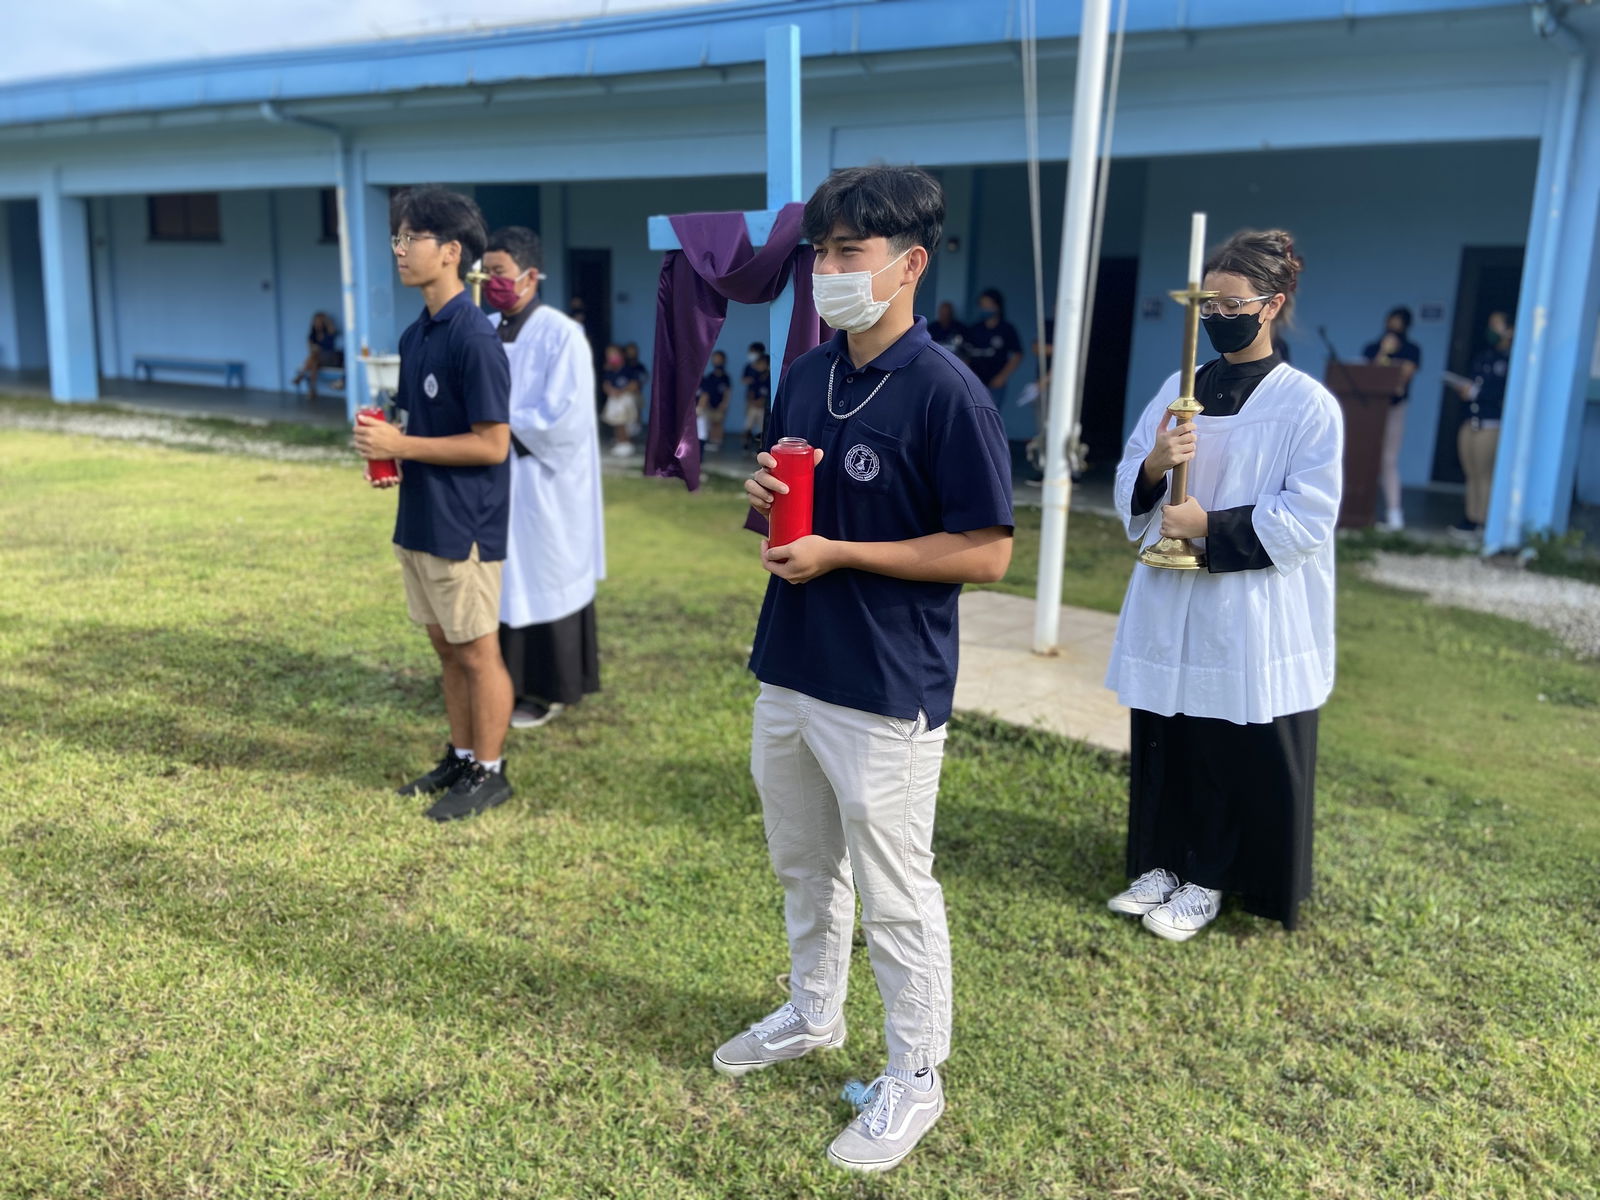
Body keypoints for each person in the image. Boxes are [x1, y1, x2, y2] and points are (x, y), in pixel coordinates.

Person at [731, 164, 1014, 1174]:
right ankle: (812, 1011)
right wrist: (761, 499)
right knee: (803, 862)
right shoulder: (807, 373)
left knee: (895, 893)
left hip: (885, 684)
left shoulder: (946, 395)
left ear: (909, 265)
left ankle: (916, 1076)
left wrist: (844, 555)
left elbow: (985, 553)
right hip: (792, 662)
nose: (827, 272)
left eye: (849, 253)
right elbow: (776, 503)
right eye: (819, 253)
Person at [1104, 228, 1341, 943]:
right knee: (1166, 730)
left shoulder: (1304, 405)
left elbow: (1309, 516)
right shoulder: (1181, 391)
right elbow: (1128, 481)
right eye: (1208, 303)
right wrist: (1153, 465)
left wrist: (1211, 523)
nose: (1216, 315)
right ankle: (1159, 863)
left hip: (1246, 601)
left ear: (1272, 305)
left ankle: (1208, 876)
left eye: (1231, 303)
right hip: (1172, 599)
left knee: (1224, 739)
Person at [353, 185, 516, 822]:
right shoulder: (417, 333)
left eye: (409, 238)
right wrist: (386, 448)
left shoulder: (474, 338)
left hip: (465, 522)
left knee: (477, 650)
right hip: (419, 515)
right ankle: (462, 752)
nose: (398, 249)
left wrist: (404, 442)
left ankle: (492, 772)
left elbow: (493, 445)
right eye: (396, 238)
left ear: (449, 252)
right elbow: (417, 423)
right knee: (445, 648)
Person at [482, 225, 604, 731]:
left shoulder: (561, 334)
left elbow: (565, 419)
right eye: (484, 272)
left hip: (545, 483)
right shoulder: (483, 328)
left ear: (530, 276)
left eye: (499, 273)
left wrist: (494, 422)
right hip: (493, 477)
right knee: (501, 581)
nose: (491, 282)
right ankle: (499, 680)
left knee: (543, 572)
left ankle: (547, 687)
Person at [1448, 311, 1513, 543]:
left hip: (1491, 423)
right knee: (1472, 473)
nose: (1492, 330)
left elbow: (1503, 391)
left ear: (1510, 330)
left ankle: (1484, 522)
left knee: (1485, 474)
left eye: (1497, 325)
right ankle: (1471, 517)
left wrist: (1479, 393)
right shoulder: (1484, 356)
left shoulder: (1511, 359)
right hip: (1472, 421)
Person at [1363, 306, 1421, 531]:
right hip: (1368, 410)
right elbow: (1368, 374)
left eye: (1398, 323)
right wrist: (1383, 352)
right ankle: (1359, 512)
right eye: (1391, 322)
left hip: (1395, 408)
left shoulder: (1412, 349)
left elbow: (1403, 376)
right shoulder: (1372, 347)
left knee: (1388, 460)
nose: (1393, 328)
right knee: (1364, 459)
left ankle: (1394, 514)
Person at [961, 287, 1023, 406]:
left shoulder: (1006, 329)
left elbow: (1017, 354)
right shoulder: (975, 329)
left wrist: (1002, 377)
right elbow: (965, 354)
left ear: (997, 306)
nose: (985, 308)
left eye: (988, 305)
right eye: (982, 305)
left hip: (995, 383)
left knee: (992, 416)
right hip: (974, 381)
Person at [293, 311, 344, 399]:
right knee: (314, 363)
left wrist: (326, 319)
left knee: (314, 359)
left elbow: (332, 330)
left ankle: (301, 375)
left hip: (331, 358)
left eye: (320, 321)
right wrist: (315, 348)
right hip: (318, 359)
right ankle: (312, 390)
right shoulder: (312, 335)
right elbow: (310, 349)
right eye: (316, 321)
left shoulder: (329, 332)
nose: (318, 323)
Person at [600, 343, 637, 456]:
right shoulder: (609, 371)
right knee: (616, 423)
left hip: (625, 400)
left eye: (614, 354)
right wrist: (611, 391)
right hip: (614, 400)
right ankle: (620, 442)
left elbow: (634, 384)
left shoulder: (628, 370)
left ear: (621, 355)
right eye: (609, 355)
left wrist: (622, 391)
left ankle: (626, 443)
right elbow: (605, 385)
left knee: (623, 423)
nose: (611, 357)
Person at [697, 349, 732, 454]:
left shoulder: (725, 377)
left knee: (718, 423)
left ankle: (717, 442)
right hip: (709, 406)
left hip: (720, 406)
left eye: (718, 359)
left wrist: (724, 404)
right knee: (709, 423)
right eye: (714, 359)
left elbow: (727, 392)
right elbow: (706, 393)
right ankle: (710, 442)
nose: (716, 361)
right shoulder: (710, 376)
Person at [742, 352, 770, 452]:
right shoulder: (756, 377)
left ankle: (761, 448)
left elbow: (767, 394)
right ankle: (746, 445)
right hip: (753, 406)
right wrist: (752, 402)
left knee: (762, 429)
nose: (758, 366)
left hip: (763, 408)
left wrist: (761, 402)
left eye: (761, 364)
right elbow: (752, 391)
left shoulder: (769, 378)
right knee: (748, 426)